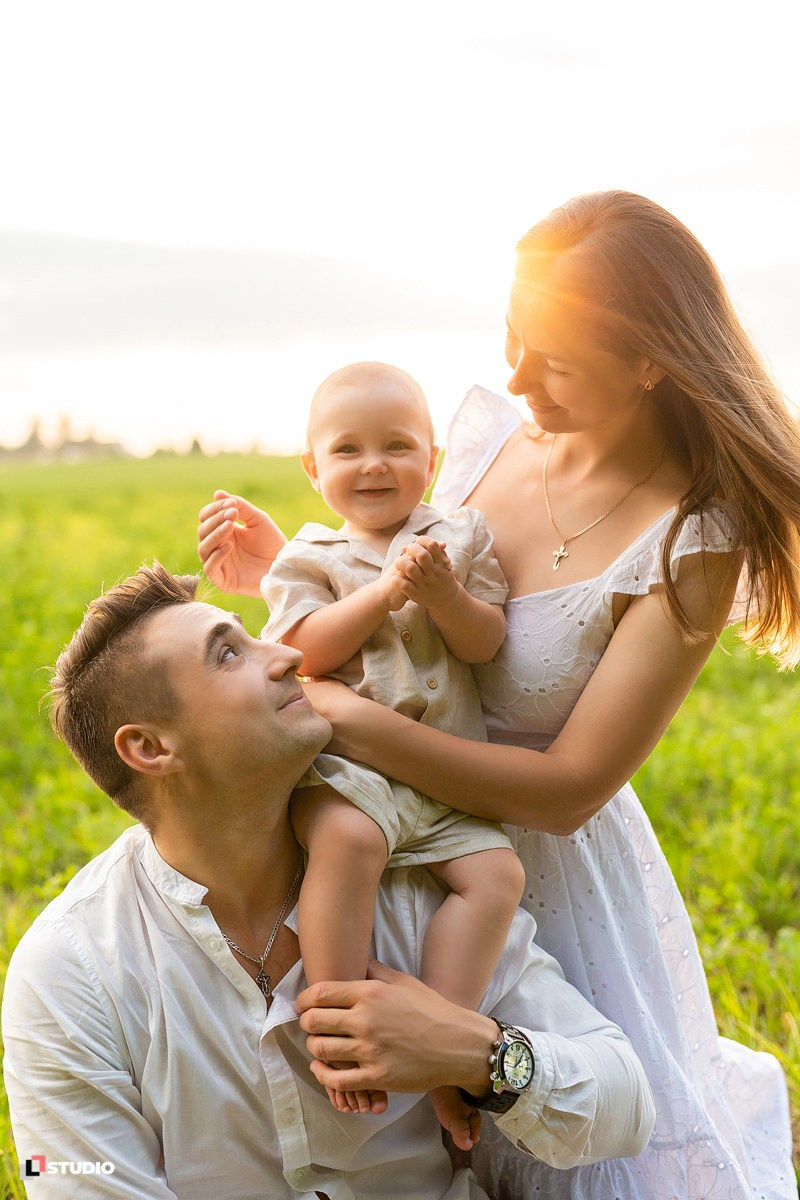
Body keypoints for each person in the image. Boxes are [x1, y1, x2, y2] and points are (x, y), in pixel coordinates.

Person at [196, 191, 800, 1199]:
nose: (516, 377)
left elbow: (567, 788)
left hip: (535, 863)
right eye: (511, 339)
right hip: (385, 829)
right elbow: (408, 605)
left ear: (648, 360)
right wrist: (286, 580)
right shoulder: (489, 440)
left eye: (553, 358)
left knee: (537, 1125)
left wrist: (346, 719)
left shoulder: (693, 536)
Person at [1, 564, 655, 1200]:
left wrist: (475, 1052)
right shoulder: (67, 970)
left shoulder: (421, 878)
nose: (285, 655)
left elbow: (628, 1104)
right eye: (228, 655)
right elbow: (60, 1176)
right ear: (150, 748)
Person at [263, 359, 524, 1141]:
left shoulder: (461, 536)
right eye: (348, 450)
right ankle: (340, 1037)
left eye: (398, 445)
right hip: (353, 772)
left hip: (445, 778)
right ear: (314, 471)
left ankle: (443, 1047)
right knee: (345, 839)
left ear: (432, 461)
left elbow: (486, 642)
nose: (374, 464)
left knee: (497, 874)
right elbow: (303, 650)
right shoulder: (309, 558)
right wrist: (382, 593)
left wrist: (445, 596)